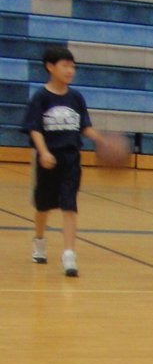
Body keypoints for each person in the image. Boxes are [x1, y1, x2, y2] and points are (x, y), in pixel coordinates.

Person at [22, 44, 109, 277]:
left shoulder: (76, 97)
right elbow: (34, 129)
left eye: (73, 67)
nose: (70, 71)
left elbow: (85, 127)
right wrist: (44, 152)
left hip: (71, 159)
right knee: (43, 206)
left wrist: (101, 140)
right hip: (47, 159)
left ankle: (69, 253)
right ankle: (39, 240)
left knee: (69, 205)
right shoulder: (41, 97)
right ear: (50, 67)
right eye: (65, 66)